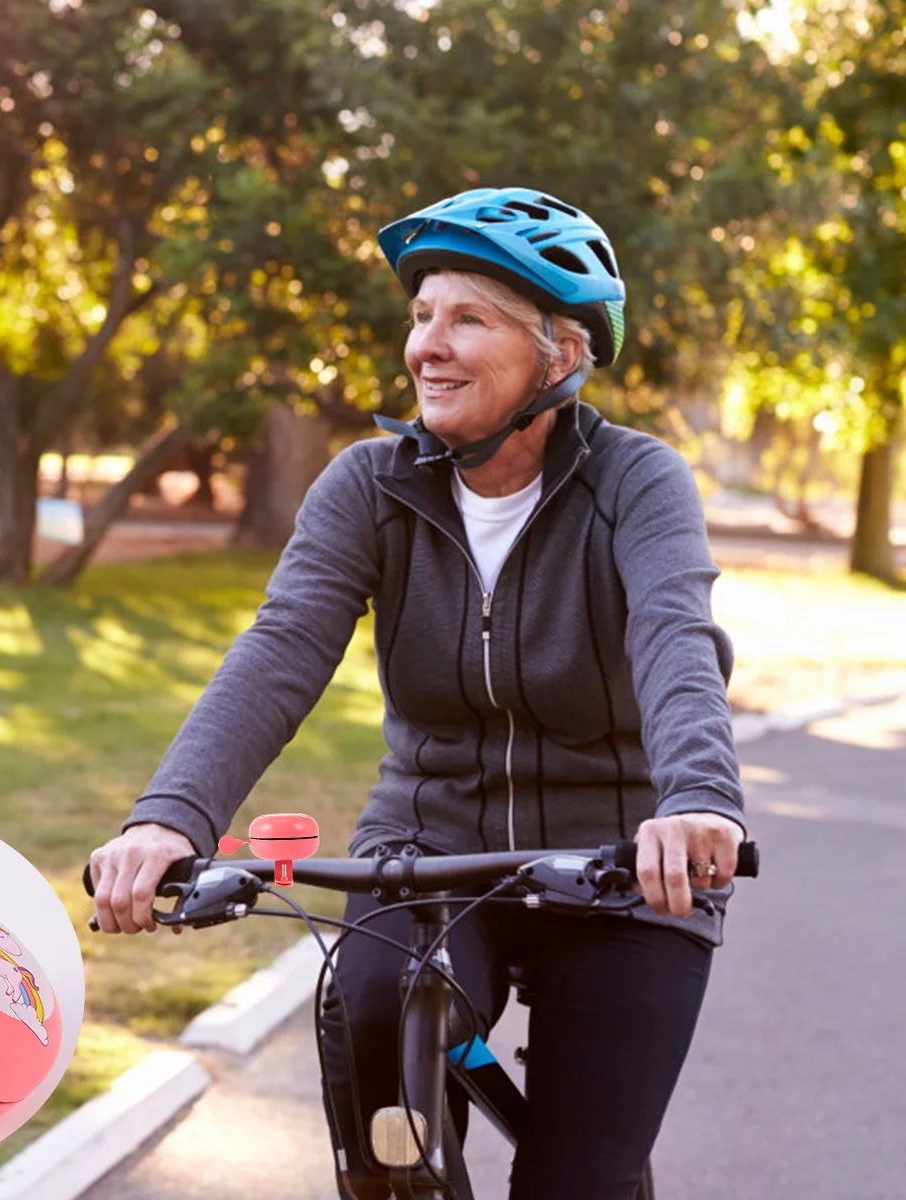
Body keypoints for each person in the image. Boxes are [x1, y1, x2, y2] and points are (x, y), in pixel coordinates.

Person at [87, 187, 746, 1199]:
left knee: (581, 1175)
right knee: (375, 1030)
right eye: (421, 315)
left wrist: (696, 800)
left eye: (467, 318)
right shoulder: (370, 487)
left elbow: (673, 634)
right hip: (430, 852)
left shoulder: (636, 483)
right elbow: (281, 649)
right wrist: (170, 819)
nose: (425, 346)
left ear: (559, 355)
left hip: (623, 861)